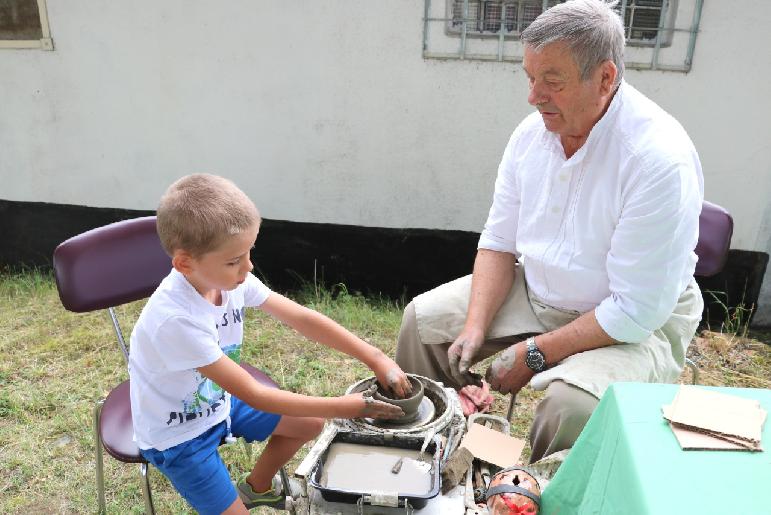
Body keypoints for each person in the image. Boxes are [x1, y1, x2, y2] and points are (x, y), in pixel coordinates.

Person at [395, 0, 704, 463]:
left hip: (635, 324)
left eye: (552, 82)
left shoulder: (657, 160)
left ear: (605, 78)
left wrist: (534, 354)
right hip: (538, 291)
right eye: (530, 77)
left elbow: (635, 311)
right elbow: (499, 243)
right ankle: (444, 459)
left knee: (572, 406)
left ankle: (527, 490)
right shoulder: (530, 136)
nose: (534, 96)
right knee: (424, 326)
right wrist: (476, 326)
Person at [129, 173, 411, 514]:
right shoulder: (175, 320)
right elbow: (255, 394)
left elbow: (302, 318)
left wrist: (376, 357)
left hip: (219, 403)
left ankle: (257, 488)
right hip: (178, 434)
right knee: (314, 416)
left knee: (309, 422)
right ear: (185, 262)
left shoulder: (229, 279)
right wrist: (349, 407)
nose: (248, 267)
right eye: (234, 260)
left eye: (249, 252)